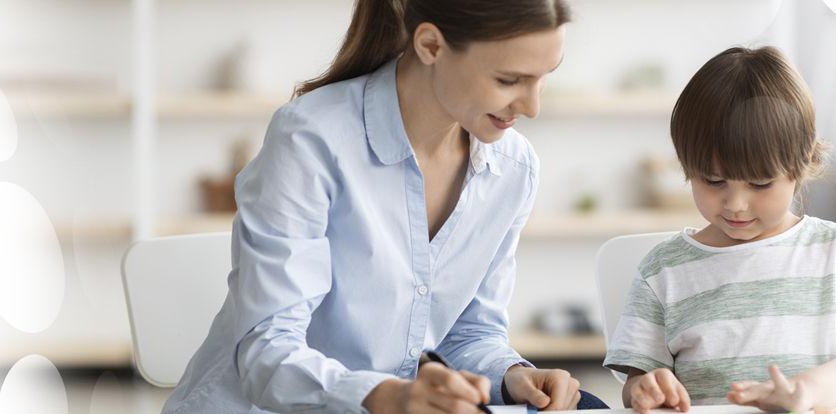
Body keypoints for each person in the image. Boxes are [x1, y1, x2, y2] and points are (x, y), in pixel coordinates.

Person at [162, 1, 609, 413]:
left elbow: (469, 332)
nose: (532, 106)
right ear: (431, 45)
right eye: (508, 80)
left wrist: (514, 376)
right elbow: (268, 351)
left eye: (545, 75)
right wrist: (388, 396)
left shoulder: (513, 168)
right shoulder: (312, 139)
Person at [602, 46, 836, 414]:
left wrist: (804, 390)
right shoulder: (662, 269)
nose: (735, 203)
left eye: (759, 184)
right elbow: (638, 380)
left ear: (802, 163)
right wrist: (643, 389)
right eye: (713, 181)